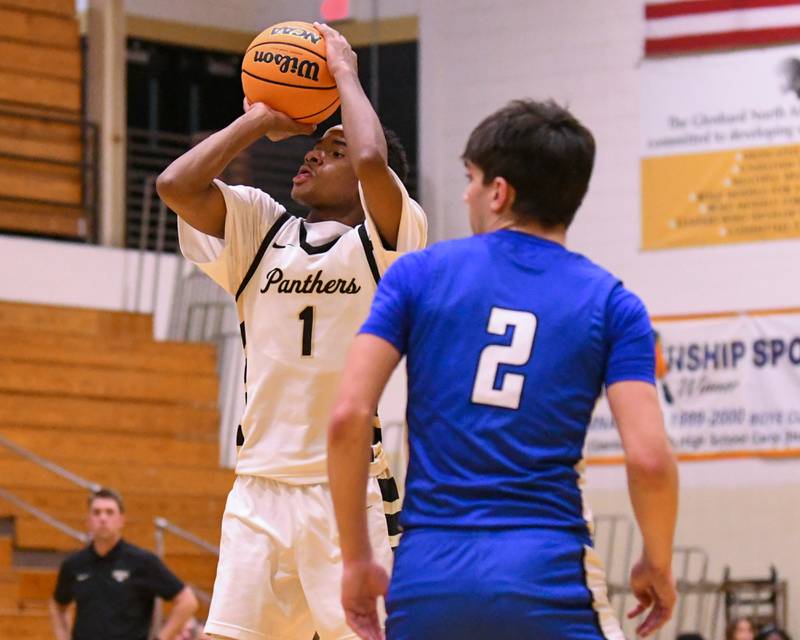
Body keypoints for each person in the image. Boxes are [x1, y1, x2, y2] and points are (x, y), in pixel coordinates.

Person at [327, 99, 679, 640]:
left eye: (471, 178)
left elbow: (348, 417)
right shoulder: (613, 303)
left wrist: (356, 561)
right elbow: (651, 459)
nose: (466, 193)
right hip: (547, 578)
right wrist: (657, 562)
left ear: (500, 191)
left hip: (428, 580)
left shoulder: (416, 275)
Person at [156, 22, 426, 640]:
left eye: (331, 151)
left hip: (350, 494)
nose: (311, 153)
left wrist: (344, 74)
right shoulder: (261, 227)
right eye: (315, 145)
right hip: (258, 486)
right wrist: (260, 117)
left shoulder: (392, 240)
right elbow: (175, 185)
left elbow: (370, 158)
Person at [49, 488, 198, 640]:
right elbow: (58, 606)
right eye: (96, 512)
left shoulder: (143, 561)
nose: (103, 518)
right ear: (88, 520)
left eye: (109, 512)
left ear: (121, 520)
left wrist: (161, 638)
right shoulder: (74, 564)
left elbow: (187, 601)